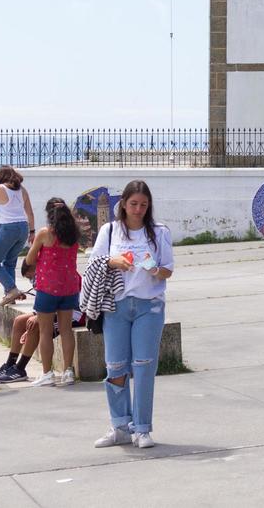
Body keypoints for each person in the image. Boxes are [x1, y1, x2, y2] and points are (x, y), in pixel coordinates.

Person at [89, 179, 175, 450]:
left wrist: (154, 268)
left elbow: (168, 269)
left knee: (144, 365)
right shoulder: (110, 230)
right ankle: (120, 426)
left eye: (143, 205)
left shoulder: (159, 232)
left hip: (149, 306)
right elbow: (94, 262)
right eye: (134, 204)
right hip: (116, 305)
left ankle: (142, 428)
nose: (138, 209)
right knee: (115, 366)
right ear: (123, 204)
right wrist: (114, 261)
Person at [23, 196, 82, 387]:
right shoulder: (74, 235)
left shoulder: (45, 233)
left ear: (49, 214)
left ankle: (47, 374)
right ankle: (68, 372)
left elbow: (30, 259)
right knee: (66, 330)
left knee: (46, 332)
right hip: (69, 288)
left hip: (48, 289)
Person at [0, 309, 85, 384]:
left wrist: (40, 316)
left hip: (74, 313)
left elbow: (63, 297)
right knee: (19, 321)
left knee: (34, 325)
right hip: (52, 307)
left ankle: (20, 369)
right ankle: (10, 364)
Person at [0, 165, 34, 305]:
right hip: (23, 228)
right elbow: (30, 213)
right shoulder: (22, 190)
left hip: (8, 228)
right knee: (10, 263)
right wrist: (32, 231)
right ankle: (10, 295)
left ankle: (12, 289)